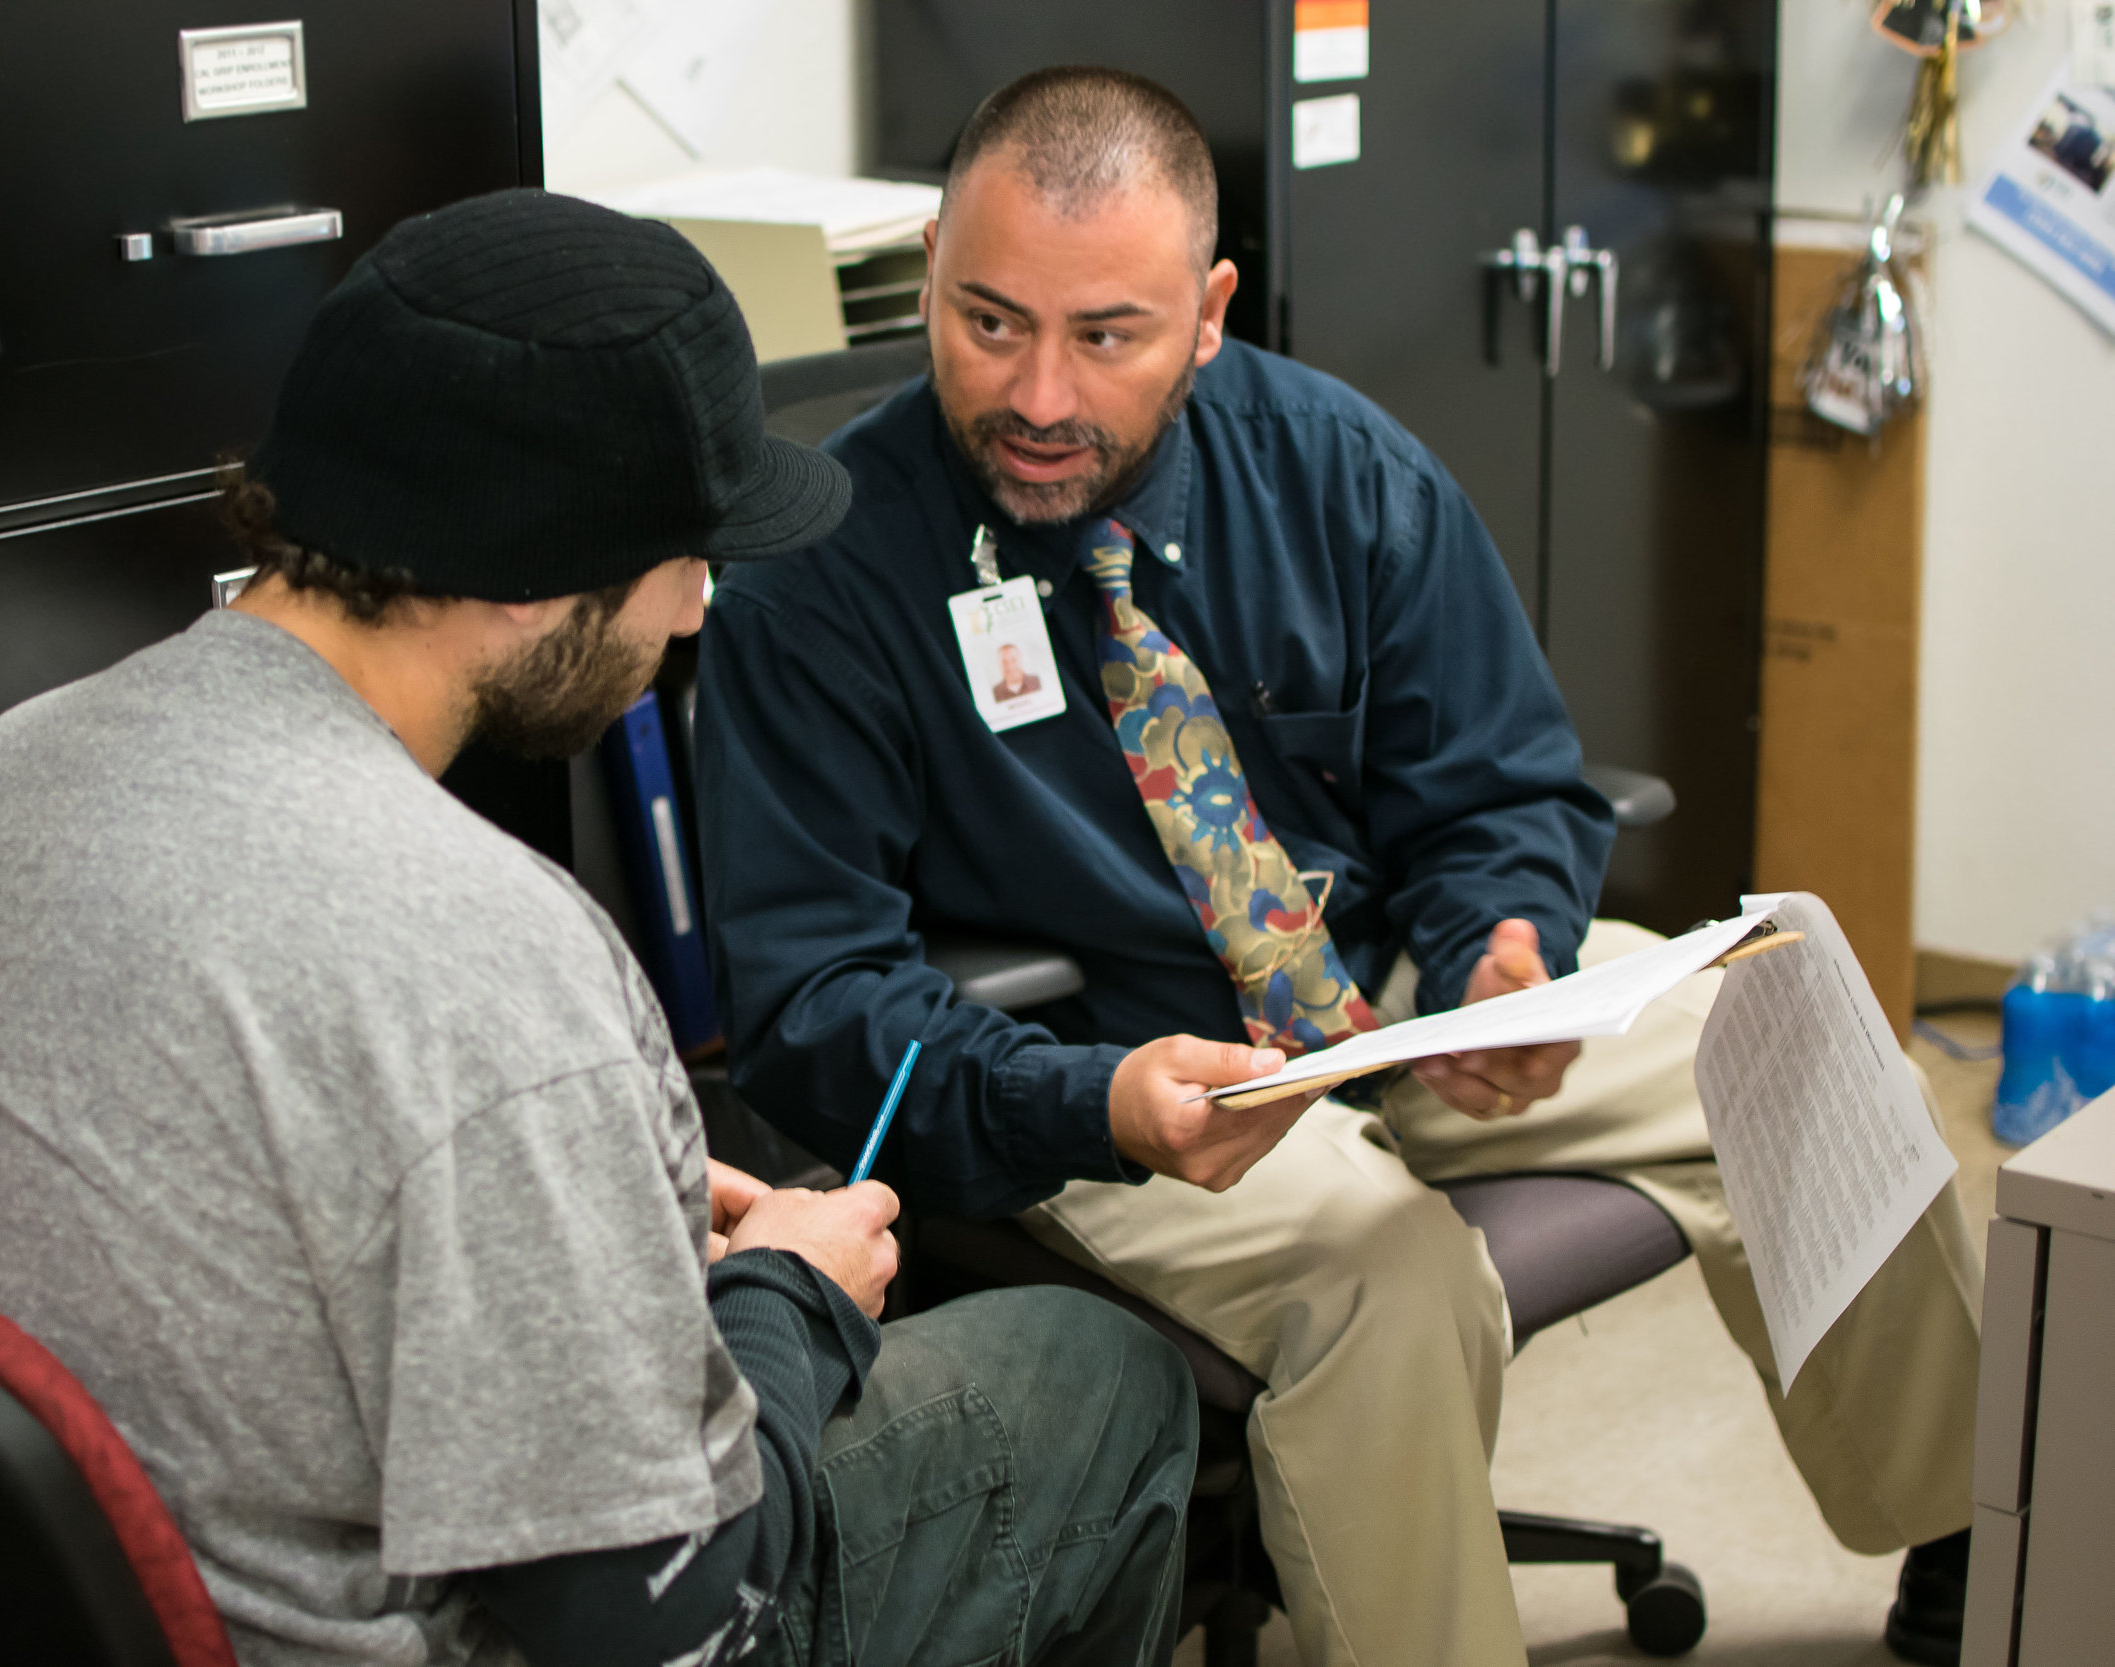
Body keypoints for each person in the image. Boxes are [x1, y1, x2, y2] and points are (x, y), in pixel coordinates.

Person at [0, 190, 1197, 1667]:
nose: (701, 610)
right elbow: (669, 1624)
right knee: (1096, 1375)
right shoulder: (491, 955)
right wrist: (791, 1296)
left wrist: (579, 1179)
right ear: (542, 577)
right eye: (686, 556)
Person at [695, 68, 1984, 1667]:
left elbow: (1498, 778)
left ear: (1212, 309)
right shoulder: (821, 572)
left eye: (1107, 335)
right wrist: (1087, 1100)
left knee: (1799, 1027)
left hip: (1383, 999)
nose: (1037, 393)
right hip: (1117, 1068)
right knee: (1386, 1279)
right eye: (986, 320)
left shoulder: (1338, 470)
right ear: (939, 274)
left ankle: (1966, 1533)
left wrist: (1498, 951)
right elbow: (811, 1000)